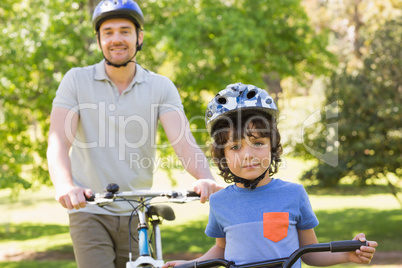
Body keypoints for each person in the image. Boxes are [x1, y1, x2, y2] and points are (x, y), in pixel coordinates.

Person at [46, 1, 222, 267]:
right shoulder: (76, 80)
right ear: (99, 40)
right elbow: (58, 142)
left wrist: (206, 178)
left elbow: (183, 142)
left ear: (139, 37)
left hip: (137, 211)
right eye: (108, 32)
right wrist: (65, 186)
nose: (116, 39)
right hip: (90, 209)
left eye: (125, 31)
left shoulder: (160, 86)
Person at [163, 83, 378, 268]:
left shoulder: (293, 194)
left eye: (257, 143)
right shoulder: (220, 202)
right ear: (222, 155)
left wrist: (347, 254)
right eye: (235, 147)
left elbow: (309, 251)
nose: (248, 155)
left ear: (272, 147)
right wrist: (191, 264)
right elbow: (221, 249)